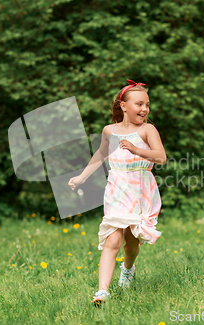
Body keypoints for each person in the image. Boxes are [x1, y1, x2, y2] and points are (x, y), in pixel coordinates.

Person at [68, 79, 166, 305]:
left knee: (131, 244)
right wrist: (82, 177)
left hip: (140, 190)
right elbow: (101, 155)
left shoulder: (147, 130)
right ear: (123, 106)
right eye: (139, 104)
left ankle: (128, 269)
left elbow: (161, 157)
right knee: (112, 240)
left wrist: (136, 149)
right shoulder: (109, 131)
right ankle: (102, 291)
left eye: (147, 105)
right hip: (117, 189)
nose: (144, 109)